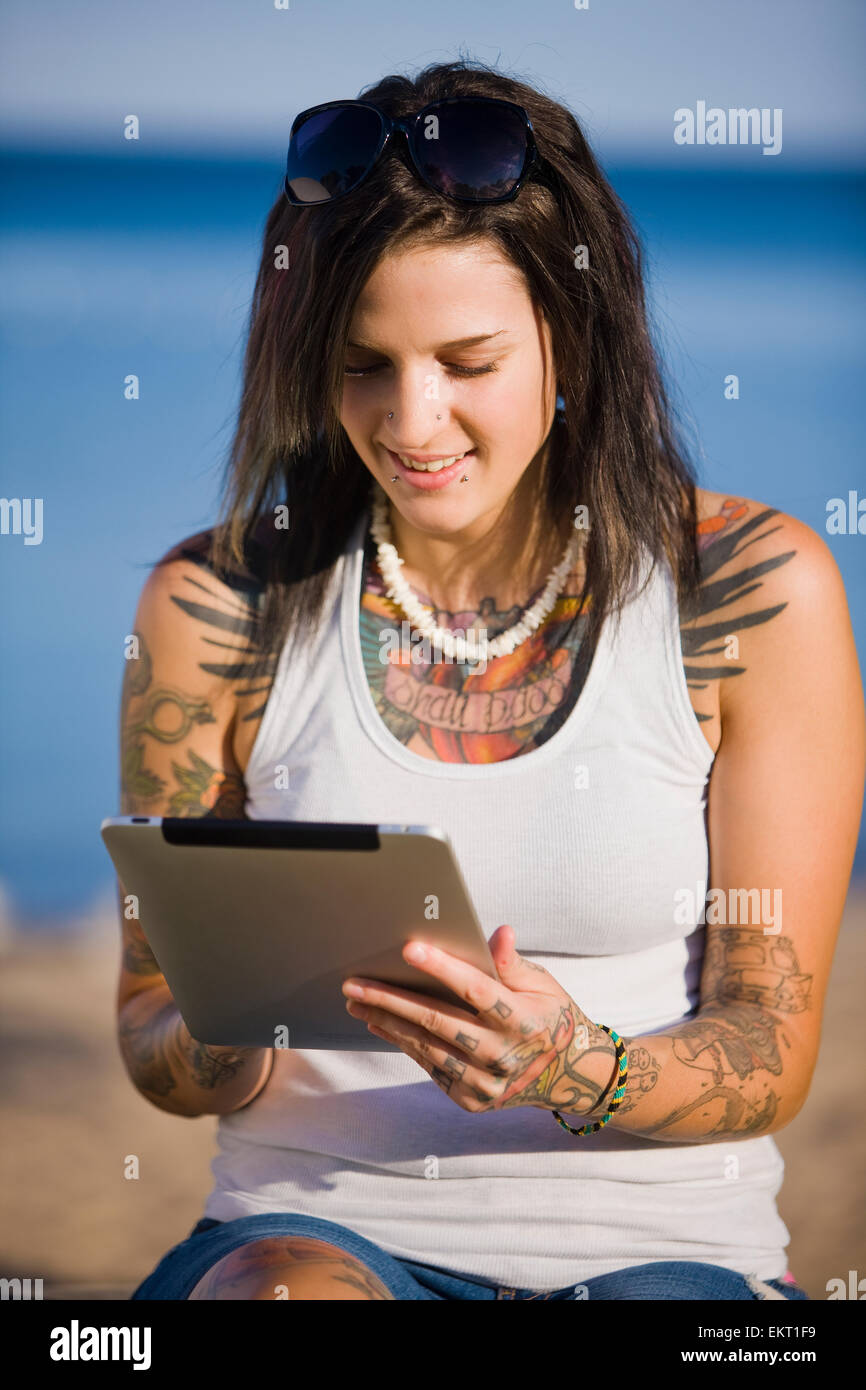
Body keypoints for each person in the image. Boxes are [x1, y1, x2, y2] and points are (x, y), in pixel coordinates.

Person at [116, 59, 864, 1301]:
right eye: (361, 364)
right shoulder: (215, 606)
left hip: (664, 1248)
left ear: (570, 338)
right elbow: (149, 1038)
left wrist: (571, 1066)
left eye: (468, 362)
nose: (412, 422)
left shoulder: (747, 589)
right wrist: (229, 1010)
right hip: (313, 1230)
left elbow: (769, 1045)